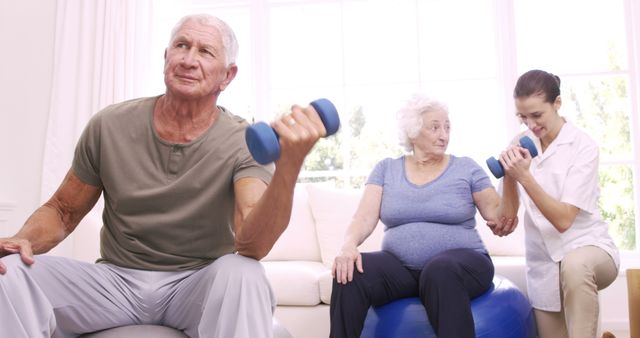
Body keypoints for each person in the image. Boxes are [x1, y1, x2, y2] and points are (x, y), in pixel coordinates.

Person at [0, 14, 326, 338]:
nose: (188, 59)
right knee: (11, 272)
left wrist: (289, 166)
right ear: (166, 57)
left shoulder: (243, 141)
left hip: (195, 285)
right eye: (181, 46)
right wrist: (24, 239)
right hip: (116, 282)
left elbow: (253, 243)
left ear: (227, 75)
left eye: (205, 51)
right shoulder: (109, 125)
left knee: (244, 272)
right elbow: (62, 210)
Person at [329, 94, 518, 338]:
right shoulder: (387, 169)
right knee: (350, 272)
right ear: (413, 132)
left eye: (448, 127)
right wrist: (348, 246)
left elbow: (500, 218)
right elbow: (363, 217)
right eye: (435, 127)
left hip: (464, 265)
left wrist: (512, 177)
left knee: (439, 270)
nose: (444, 135)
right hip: (401, 269)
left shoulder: (466, 168)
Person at [497, 69, 620, 338]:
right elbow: (505, 222)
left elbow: (564, 220)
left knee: (575, 266)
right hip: (544, 267)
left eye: (537, 115)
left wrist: (525, 177)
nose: (530, 125)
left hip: (589, 249)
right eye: (523, 117)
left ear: (557, 104)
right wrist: (509, 177)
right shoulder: (519, 144)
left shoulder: (583, 147)